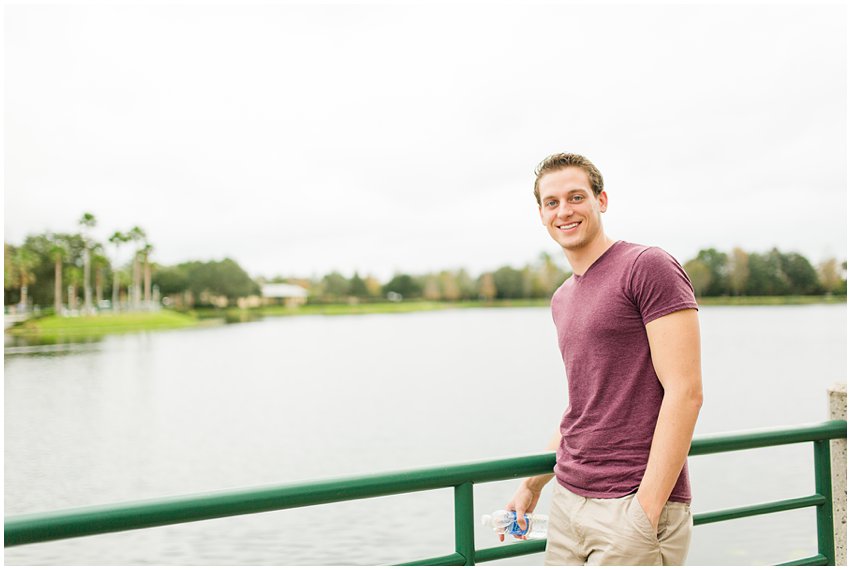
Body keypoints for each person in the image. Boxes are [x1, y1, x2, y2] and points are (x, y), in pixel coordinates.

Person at [503, 153, 703, 565]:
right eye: (552, 202)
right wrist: (532, 485)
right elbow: (586, 405)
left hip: (631, 504)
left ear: (602, 200)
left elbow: (685, 392)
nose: (564, 211)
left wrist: (646, 509)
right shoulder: (562, 297)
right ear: (541, 214)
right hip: (568, 502)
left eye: (576, 197)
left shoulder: (647, 267)